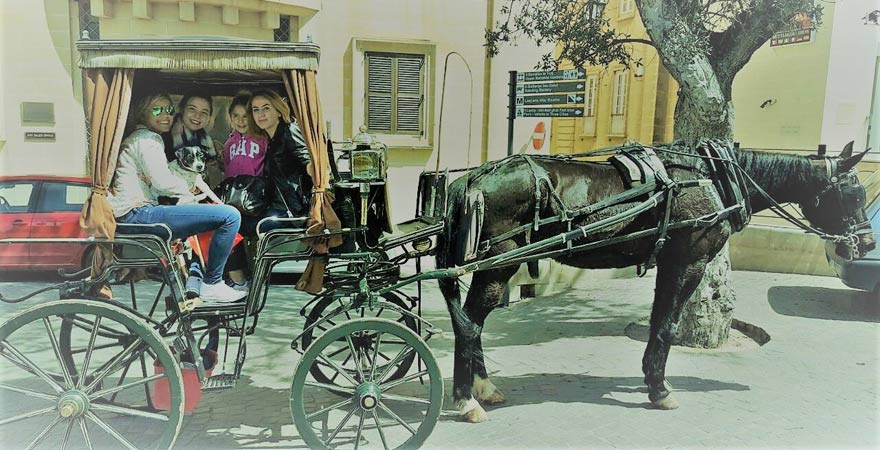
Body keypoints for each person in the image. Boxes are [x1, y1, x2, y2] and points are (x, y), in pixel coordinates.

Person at [109, 93, 245, 303]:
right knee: (230, 216)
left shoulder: (140, 137)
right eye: (157, 110)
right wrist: (189, 190)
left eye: (169, 110)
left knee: (210, 217)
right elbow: (162, 182)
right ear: (143, 112)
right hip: (139, 213)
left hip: (135, 212)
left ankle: (195, 282)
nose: (165, 115)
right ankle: (212, 283)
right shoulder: (148, 139)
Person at [247, 89, 313, 231]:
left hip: (294, 210)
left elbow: (307, 160)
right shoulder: (272, 140)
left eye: (266, 108)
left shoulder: (289, 131)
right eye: (255, 110)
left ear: (278, 111)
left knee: (242, 225)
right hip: (279, 207)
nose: (260, 114)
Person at [164, 91, 225, 188]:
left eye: (204, 112)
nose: (198, 116)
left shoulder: (204, 139)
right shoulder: (166, 137)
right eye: (192, 109)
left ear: (209, 117)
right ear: (182, 109)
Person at [223, 92, 267, 178]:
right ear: (231, 117)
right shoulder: (229, 144)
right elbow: (226, 167)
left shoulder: (263, 140)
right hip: (233, 185)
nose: (241, 121)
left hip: (255, 185)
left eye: (245, 116)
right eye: (236, 115)